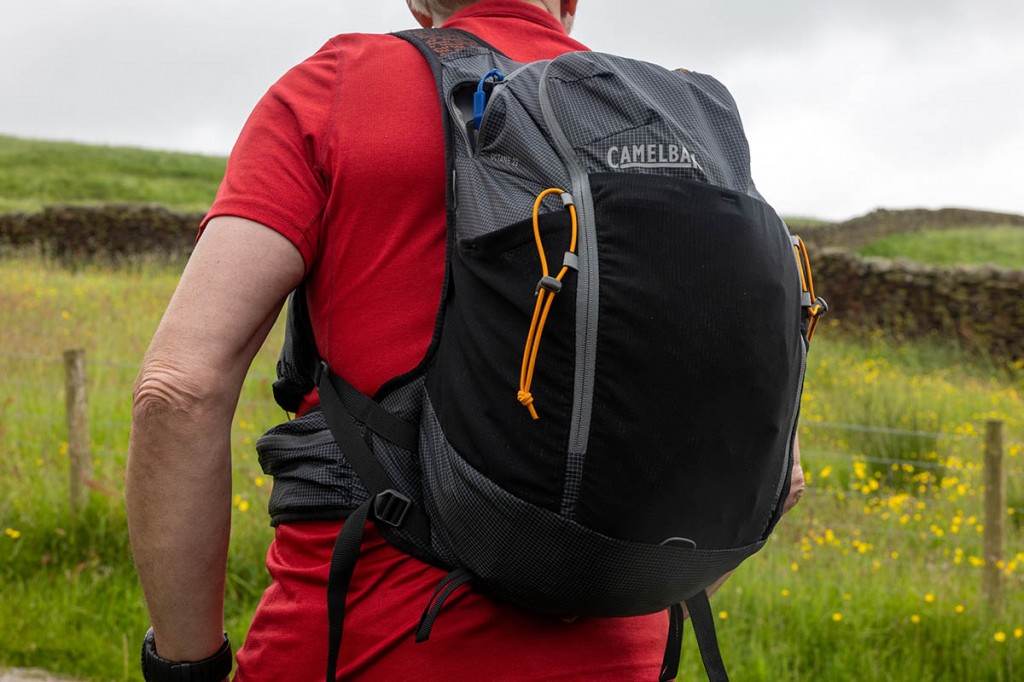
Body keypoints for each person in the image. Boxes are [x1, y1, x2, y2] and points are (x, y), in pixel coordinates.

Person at [126, 1, 806, 679]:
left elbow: (178, 390)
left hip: (362, 646)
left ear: (419, 1)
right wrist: (626, 591)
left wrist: (184, 667)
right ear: (568, 3)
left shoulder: (339, 86)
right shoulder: (680, 130)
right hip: (619, 661)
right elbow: (779, 471)